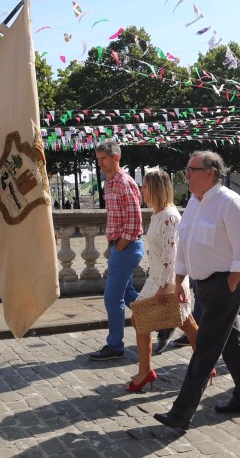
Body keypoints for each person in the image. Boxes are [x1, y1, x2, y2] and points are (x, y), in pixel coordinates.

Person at [154, 151, 240, 431]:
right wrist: (180, 280)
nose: (186, 175)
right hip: (204, 285)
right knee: (231, 342)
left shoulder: (230, 203)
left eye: (191, 170)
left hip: (226, 284)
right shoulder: (195, 204)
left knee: (206, 349)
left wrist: (231, 283)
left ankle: (181, 412)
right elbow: (185, 244)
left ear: (210, 172)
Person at [126, 170, 200, 391]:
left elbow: (172, 254)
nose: (142, 191)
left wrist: (164, 286)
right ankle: (146, 370)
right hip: (156, 278)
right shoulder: (158, 214)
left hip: (166, 281)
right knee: (147, 321)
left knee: (186, 323)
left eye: (146, 187)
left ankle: (204, 364)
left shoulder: (169, 216)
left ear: (157, 189)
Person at [88, 140, 144, 361]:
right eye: (98, 158)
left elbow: (135, 220)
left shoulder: (123, 182)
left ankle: (115, 345)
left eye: (103, 158)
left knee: (112, 297)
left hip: (127, 246)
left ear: (116, 158)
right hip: (120, 246)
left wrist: (119, 246)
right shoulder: (110, 183)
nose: (99, 163)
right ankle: (162, 322)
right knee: (129, 295)